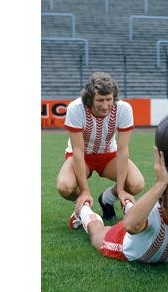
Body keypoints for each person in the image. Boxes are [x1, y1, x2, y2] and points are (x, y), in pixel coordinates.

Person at [57, 72, 145, 221]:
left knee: (137, 184)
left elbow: (123, 150)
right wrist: (84, 191)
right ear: (90, 98)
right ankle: (83, 209)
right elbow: (78, 151)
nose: (105, 106)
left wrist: (121, 189)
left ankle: (107, 199)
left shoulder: (124, 109)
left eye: (108, 99)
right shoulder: (76, 108)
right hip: (81, 157)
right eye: (100, 100)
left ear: (114, 97)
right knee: (65, 187)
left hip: (108, 155)